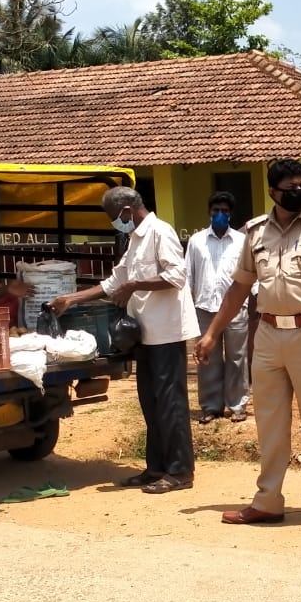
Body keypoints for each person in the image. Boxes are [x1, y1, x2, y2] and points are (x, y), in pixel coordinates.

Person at [194, 158, 301, 530]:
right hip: (267, 336)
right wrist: (212, 333)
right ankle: (268, 501)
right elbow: (238, 289)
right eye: (290, 187)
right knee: (269, 422)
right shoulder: (254, 232)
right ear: (273, 192)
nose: (298, 191)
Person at [50, 187, 199, 494]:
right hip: (143, 334)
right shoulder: (134, 240)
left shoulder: (160, 232)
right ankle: (156, 467)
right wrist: (72, 299)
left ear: (128, 211)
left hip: (167, 333)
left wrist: (134, 285)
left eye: (114, 217)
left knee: (170, 404)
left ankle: (180, 471)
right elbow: (112, 282)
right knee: (151, 403)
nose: (114, 223)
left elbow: (177, 276)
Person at [187, 191, 253, 424]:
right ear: (209, 212)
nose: (220, 215)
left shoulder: (242, 242)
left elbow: (250, 275)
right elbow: (188, 277)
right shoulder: (196, 242)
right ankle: (210, 406)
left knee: (237, 358)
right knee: (207, 357)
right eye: (216, 211)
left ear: (231, 214)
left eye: (224, 211)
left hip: (237, 310)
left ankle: (237, 405)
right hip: (204, 307)